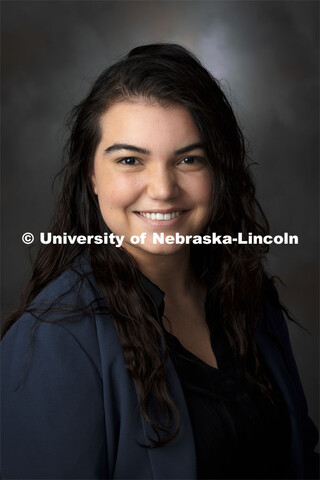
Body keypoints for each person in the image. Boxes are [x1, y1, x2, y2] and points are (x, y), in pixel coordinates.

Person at [1, 43, 318, 480]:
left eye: (188, 159)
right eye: (130, 160)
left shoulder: (248, 293)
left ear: (218, 170)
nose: (163, 189)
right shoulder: (51, 341)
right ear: (91, 174)